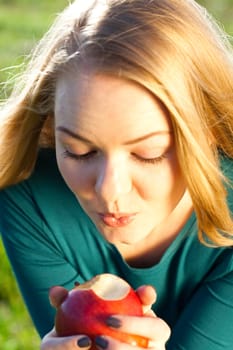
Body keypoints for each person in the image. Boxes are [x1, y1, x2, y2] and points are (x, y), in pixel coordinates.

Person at [0, 0, 233, 349]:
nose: (109, 190)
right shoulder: (28, 195)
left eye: (148, 154)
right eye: (79, 152)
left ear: (210, 131)